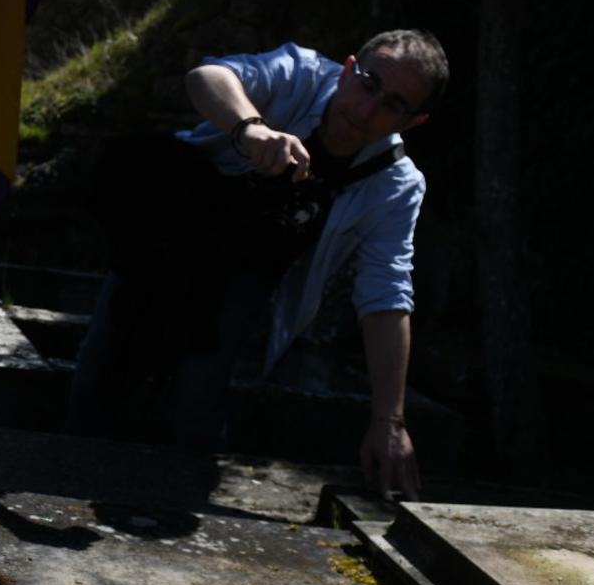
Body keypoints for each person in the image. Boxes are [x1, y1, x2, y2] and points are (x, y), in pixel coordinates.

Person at [68, 31, 448, 498]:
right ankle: (70, 469)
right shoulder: (303, 74)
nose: (366, 111)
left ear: (414, 121)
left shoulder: (396, 184)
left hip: (247, 275)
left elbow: (386, 294)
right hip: (170, 238)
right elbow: (207, 76)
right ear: (348, 68)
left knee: (198, 389)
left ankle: (169, 495)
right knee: (105, 357)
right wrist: (250, 128)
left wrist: (389, 421)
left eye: (393, 105)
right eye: (368, 83)